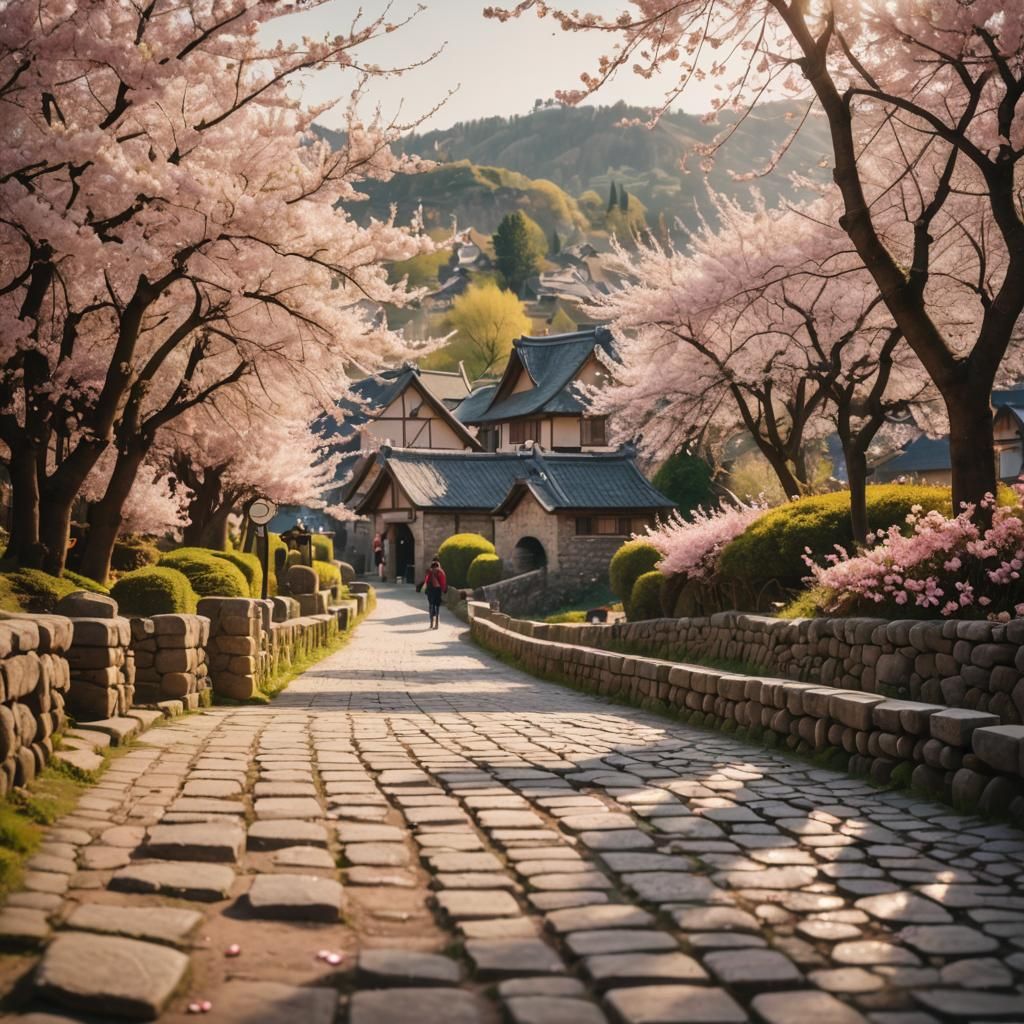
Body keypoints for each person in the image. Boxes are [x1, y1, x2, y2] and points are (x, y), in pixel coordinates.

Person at [416, 558, 447, 629]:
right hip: (438, 591)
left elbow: (426, 581)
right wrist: (443, 590)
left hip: (430, 591)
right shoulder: (441, 572)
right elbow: (443, 583)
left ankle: (431, 623)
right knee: (437, 607)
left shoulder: (430, 571)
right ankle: (436, 624)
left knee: (431, 606)